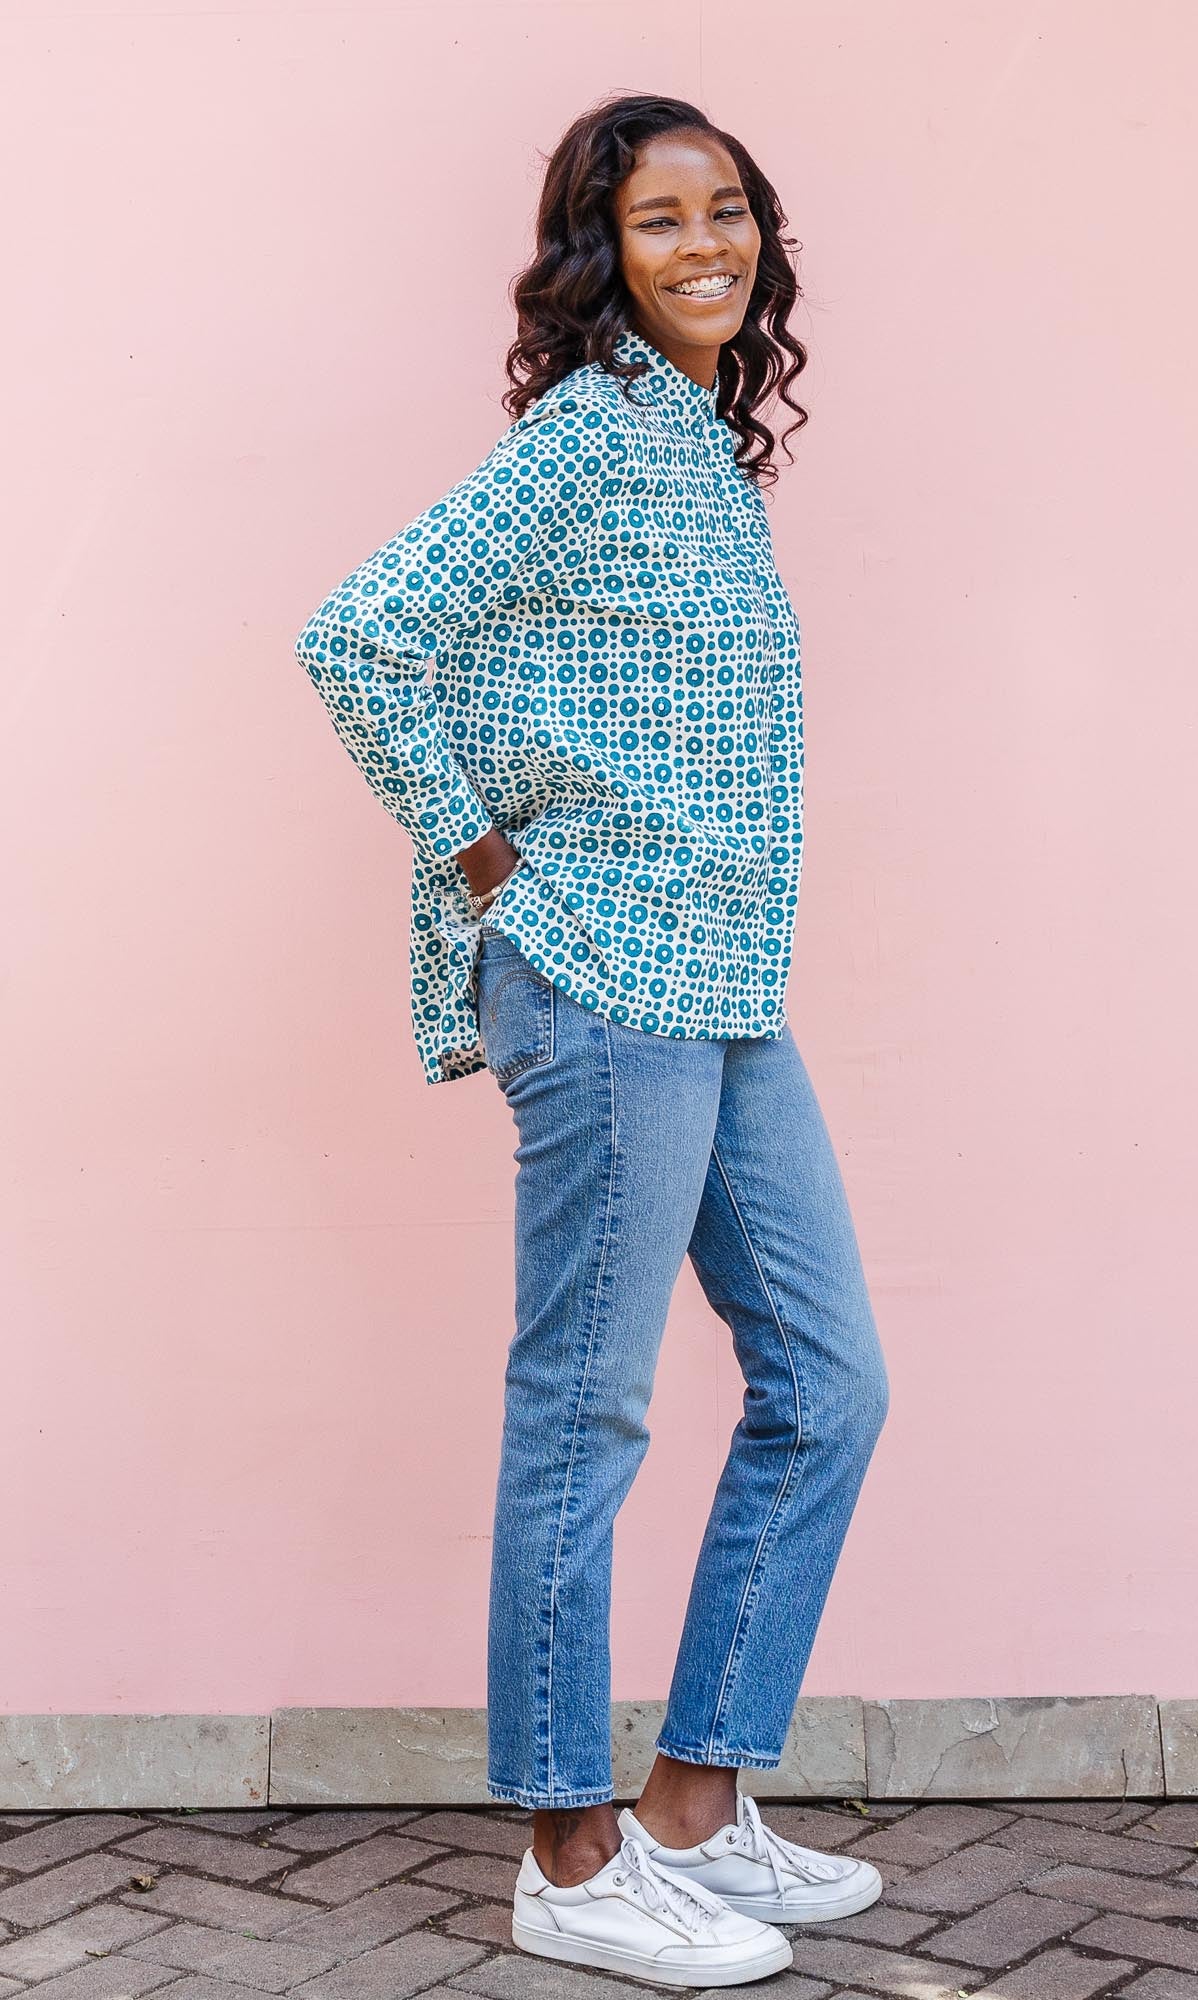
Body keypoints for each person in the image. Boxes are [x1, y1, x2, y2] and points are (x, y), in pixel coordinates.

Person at [294, 91, 890, 1988]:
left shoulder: (699, 449)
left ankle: (694, 1812)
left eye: (728, 211)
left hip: (718, 977)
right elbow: (357, 632)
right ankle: (568, 1854)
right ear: (598, 256)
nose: (706, 243)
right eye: (659, 220)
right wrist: (486, 865)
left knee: (826, 1381)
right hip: (599, 973)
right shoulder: (582, 441)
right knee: (588, 1407)